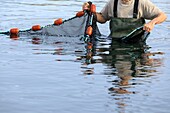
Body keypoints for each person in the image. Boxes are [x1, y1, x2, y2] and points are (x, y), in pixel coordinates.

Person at [83, 0, 167, 42]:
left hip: (136, 45)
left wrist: (152, 23)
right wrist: (90, 12)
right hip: (114, 42)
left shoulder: (142, 3)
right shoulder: (112, 3)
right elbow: (102, 18)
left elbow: (162, 16)